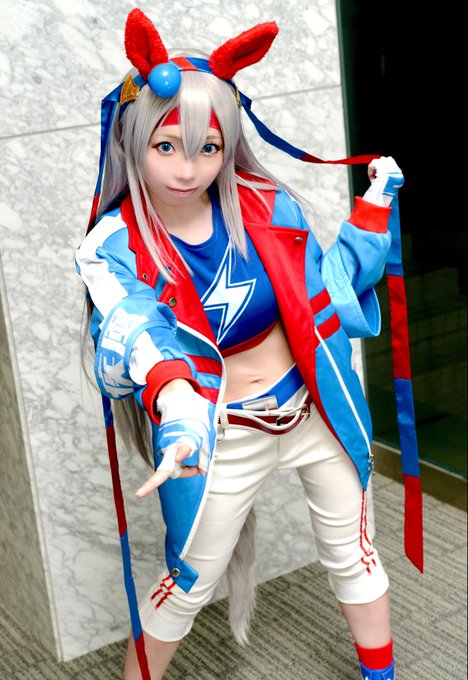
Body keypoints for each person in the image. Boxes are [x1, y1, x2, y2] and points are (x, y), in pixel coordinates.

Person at [76, 8, 406, 680]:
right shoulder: (112, 245)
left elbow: (326, 294)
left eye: (209, 148)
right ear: (133, 141)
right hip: (217, 433)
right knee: (186, 585)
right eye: (166, 146)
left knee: (356, 554)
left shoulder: (263, 204)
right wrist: (179, 412)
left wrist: (373, 212)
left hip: (314, 412)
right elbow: (137, 330)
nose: (188, 168)